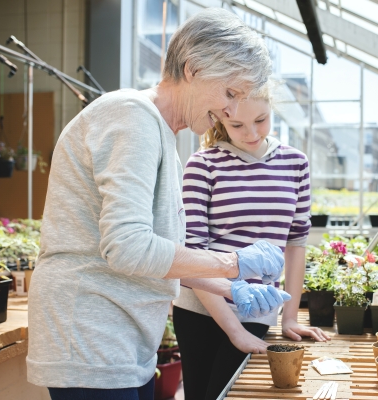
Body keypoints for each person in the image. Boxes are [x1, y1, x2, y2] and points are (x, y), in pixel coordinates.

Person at [27, 9, 290, 400]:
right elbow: (128, 247)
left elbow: (157, 258)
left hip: (122, 342)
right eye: (229, 93)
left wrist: (231, 289)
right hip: (91, 338)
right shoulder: (131, 116)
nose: (232, 112)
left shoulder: (163, 135)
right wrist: (233, 263)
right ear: (193, 69)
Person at [174, 80, 331, 400]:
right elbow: (193, 253)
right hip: (201, 310)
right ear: (220, 118)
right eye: (237, 124)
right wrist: (234, 331)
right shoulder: (203, 164)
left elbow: (296, 244)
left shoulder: (295, 163)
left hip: (258, 310)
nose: (251, 132)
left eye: (261, 120)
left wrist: (290, 316)